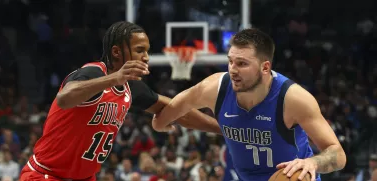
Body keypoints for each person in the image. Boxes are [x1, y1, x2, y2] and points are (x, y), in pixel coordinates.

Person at [19, 21, 221, 181]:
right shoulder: (91, 73)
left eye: (147, 51)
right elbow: (64, 99)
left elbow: (178, 110)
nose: (146, 57)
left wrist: (224, 129)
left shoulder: (131, 87)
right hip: (45, 174)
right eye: (140, 50)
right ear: (116, 52)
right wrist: (114, 78)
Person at [152, 28, 346, 181]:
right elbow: (170, 114)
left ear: (265, 67)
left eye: (242, 64)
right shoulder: (214, 88)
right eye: (230, 62)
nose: (233, 70)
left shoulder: (293, 99)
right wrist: (160, 123)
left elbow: (337, 154)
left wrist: (313, 163)